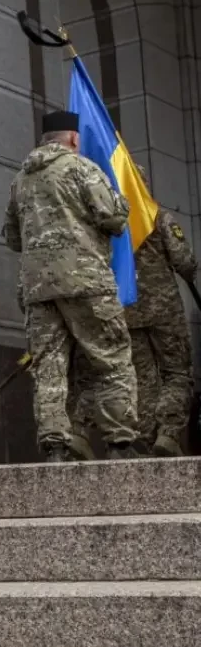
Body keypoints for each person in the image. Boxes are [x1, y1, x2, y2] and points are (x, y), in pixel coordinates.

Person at [2, 110, 138, 461]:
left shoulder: (20, 181)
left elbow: (12, 238)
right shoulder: (83, 169)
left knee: (49, 366)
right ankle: (120, 443)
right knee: (111, 357)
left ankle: (55, 446)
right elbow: (114, 218)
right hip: (86, 281)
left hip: (38, 290)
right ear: (74, 138)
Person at [69, 166, 196, 457]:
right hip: (165, 312)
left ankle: (148, 439)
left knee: (143, 379)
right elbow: (185, 263)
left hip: (128, 311)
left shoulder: (106, 226)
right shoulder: (157, 217)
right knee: (177, 372)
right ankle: (168, 433)